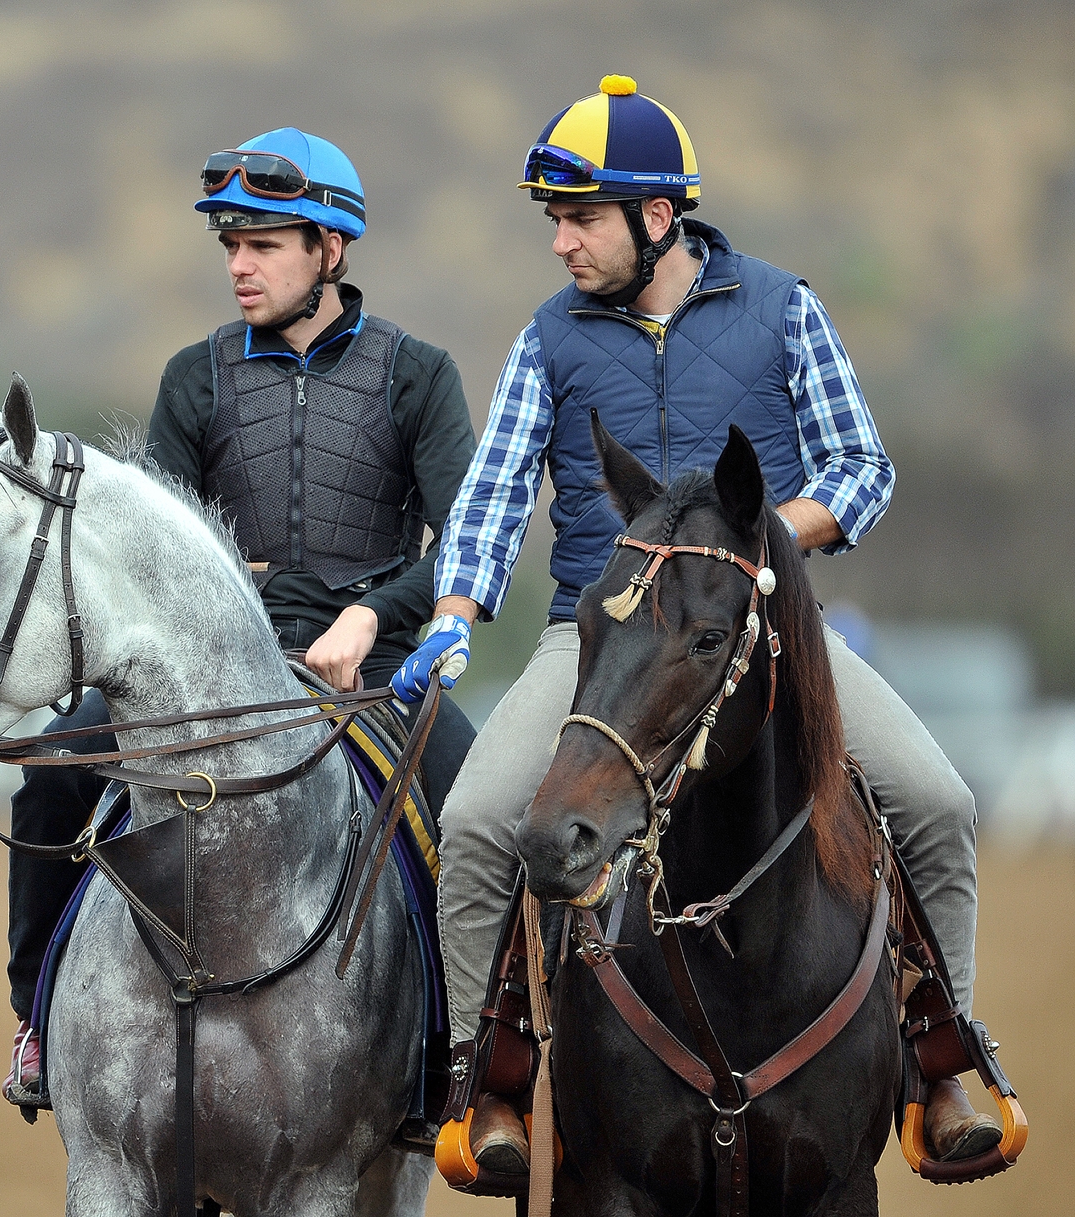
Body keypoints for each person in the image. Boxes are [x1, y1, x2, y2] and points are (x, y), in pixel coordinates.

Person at [393, 76, 996, 1169]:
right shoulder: (549, 337)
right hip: (602, 641)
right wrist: (451, 609)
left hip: (770, 634)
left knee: (937, 802)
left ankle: (943, 1056)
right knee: (482, 819)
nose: (562, 244)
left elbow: (861, 466)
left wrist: (757, 547)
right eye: (554, 222)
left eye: (579, 220)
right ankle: (490, 1079)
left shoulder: (783, 307)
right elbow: (490, 494)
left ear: (656, 218)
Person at [2, 127, 480, 1110]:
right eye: (230, 244)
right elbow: (159, 551)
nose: (239, 264)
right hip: (212, 665)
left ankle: (446, 1056)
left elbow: (462, 542)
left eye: (262, 243)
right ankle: (36, 1023)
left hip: (377, 666)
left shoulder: (418, 373)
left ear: (330, 251)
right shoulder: (196, 374)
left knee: (478, 812)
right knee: (48, 783)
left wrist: (369, 613)